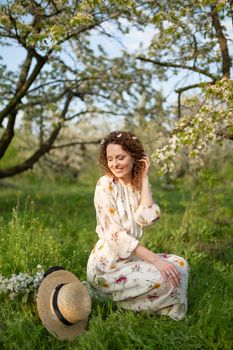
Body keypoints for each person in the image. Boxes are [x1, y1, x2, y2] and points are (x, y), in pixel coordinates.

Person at [86, 131, 189, 320]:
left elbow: (147, 217)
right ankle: (110, 298)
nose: (114, 163)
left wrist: (144, 178)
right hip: (107, 267)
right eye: (110, 159)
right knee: (163, 276)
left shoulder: (137, 185)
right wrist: (156, 261)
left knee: (181, 265)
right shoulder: (105, 185)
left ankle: (154, 302)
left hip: (131, 259)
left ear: (134, 157)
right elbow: (116, 236)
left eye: (120, 157)